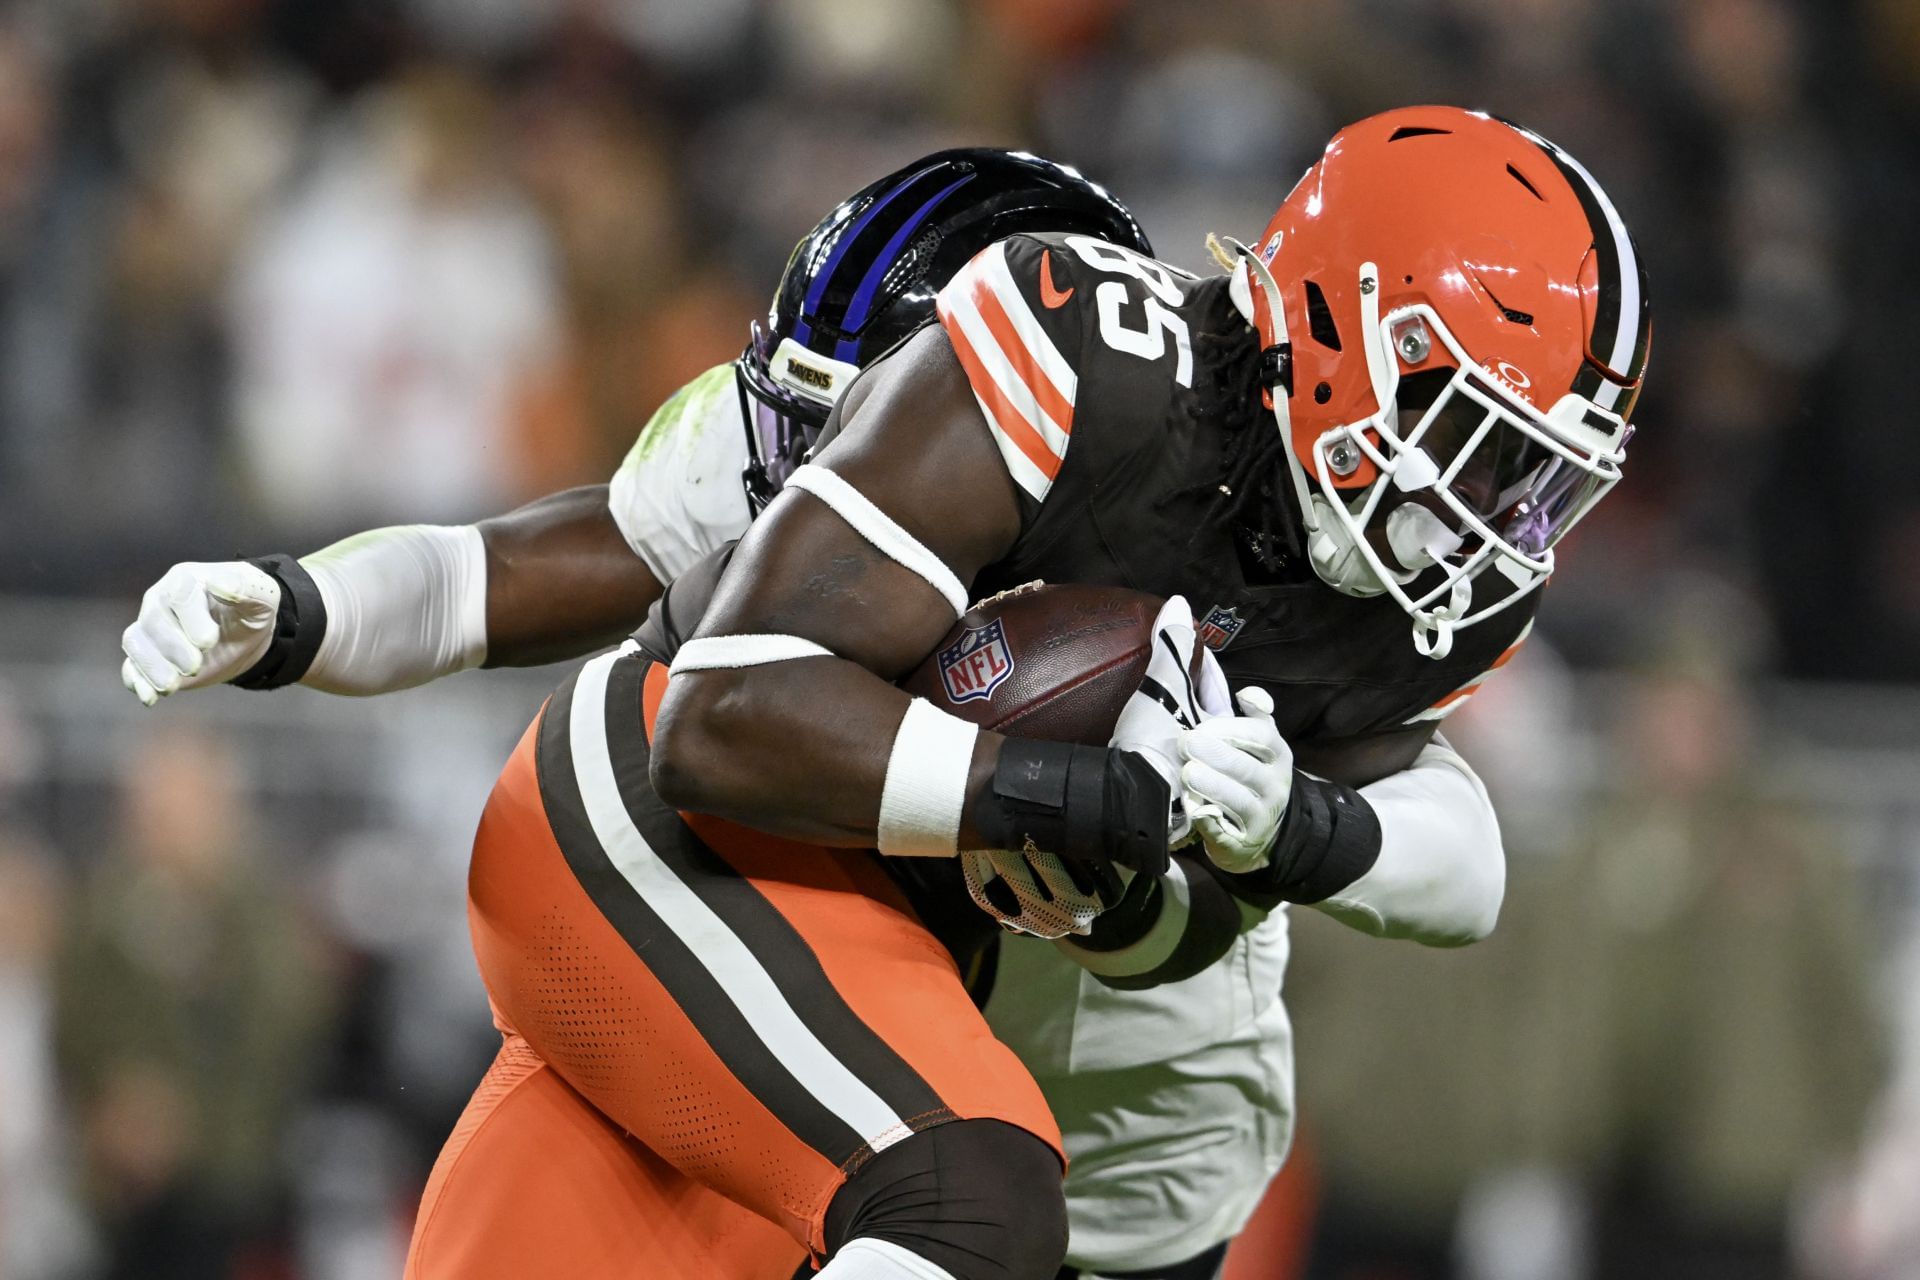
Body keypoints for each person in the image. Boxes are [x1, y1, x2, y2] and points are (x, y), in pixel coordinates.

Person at [120, 112, 1649, 1279]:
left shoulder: (1358, 611)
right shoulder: (1058, 371)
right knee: (965, 1189)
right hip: (687, 839)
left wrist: (1287, 835)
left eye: (1525, 473)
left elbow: (1416, 862)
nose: (1493, 515)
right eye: (1476, 438)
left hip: (930, 1000)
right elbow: (642, 655)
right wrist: (304, 611)